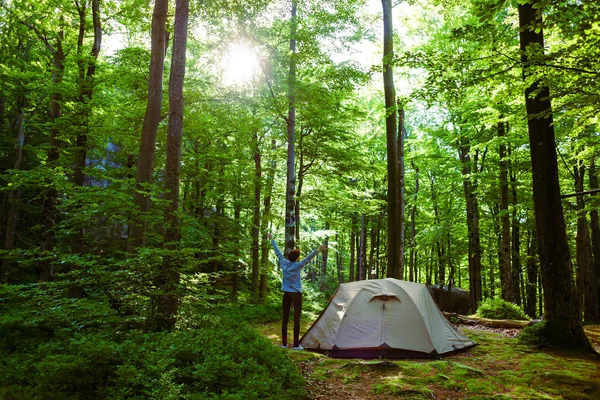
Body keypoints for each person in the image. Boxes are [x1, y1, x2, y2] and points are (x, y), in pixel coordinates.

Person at [268, 232, 326, 350]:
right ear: (297, 258)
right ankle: (295, 344)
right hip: (296, 295)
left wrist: (272, 239)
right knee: (296, 318)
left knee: (285, 318)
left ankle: (284, 344)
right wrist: (318, 250)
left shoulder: (284, 263)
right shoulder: (298, 265)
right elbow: (309, 258)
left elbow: (277, 252)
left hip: (286, 294)